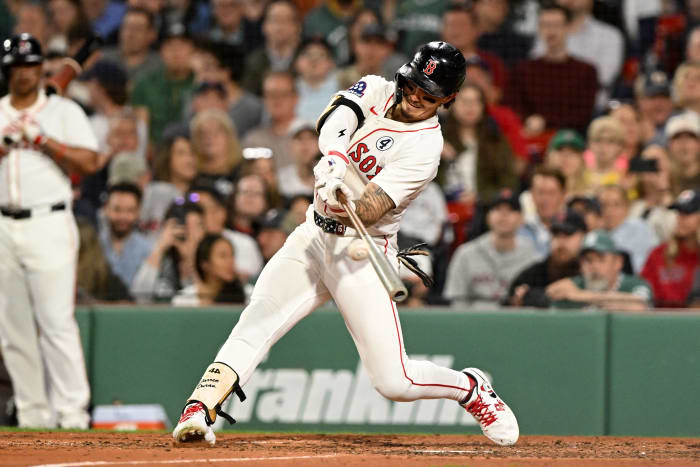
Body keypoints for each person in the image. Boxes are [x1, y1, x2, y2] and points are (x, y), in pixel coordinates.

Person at [172, 41, 519, 447]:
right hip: (311, 237)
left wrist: (347, 191)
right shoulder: (377, 87)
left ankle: (470, 388)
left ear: (448, 99)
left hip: (362, 252)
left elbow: (370, 210)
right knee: (257, 320)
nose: (414, 99)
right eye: (413, 86)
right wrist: (335, 158)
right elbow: (335, 118)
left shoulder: (426, 147)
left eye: (429, 96)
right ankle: (200, 407)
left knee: (394, 381)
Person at [0, 33, 98, 428]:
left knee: (57, 323)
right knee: (13, 328)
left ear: (41, 67)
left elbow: (90, 162)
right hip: (4, 224)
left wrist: (43, 141)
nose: (23, 73)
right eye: (16, 66)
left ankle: (72, 415)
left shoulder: (63, 111)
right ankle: (31, 415)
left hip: (49, 221)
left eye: (30, 65)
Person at [504, 2, 598, 134]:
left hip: (569, 140)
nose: (551, 31)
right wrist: (528, 121)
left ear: (568, 28)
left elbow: (582, 115)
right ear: (539, 29)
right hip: (529, 135)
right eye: (545, 25)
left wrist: (545, 122)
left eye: (556, 25)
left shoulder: (586, 71)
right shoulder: (522, 70)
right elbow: (512, 106)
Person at [444, 190, 540, 308]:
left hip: (516, 322)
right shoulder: (465, 254)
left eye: (511, 210)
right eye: (497, 209)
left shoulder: (532, 256)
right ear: (488, 217)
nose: (503, 215)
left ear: (522, 219)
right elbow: (457, 303)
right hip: (475, 322)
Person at [547, 230, 653, 311]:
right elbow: (553, 292)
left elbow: (639, 306)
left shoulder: (635, 284)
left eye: (601, 259)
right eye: (588, 260)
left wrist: (581, 296)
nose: (594, 266)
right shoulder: (577, 284)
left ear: (618, 262)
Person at [507, 210, 586, 308]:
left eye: (567, 235)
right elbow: (509, 301)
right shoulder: (533, 274)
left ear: (583, 237)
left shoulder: (592, 270)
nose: (560, 243)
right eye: (556, 235)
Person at [131, 200, 206, 303]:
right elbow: (139, 298)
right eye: (186, 227)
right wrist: (160, 248)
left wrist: (189, 260)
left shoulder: (207, 260)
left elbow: (205, 303)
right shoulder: (158, 257)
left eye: (198, 225)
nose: (193, 234)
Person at [641, 189, 700, 308]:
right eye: (678, 213)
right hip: (662, 321)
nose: (679, 219)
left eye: (687, 213)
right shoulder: (659, 253)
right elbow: (643, 293)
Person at [99, 182, 154, 288]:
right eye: (117, 209)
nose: (123, 217)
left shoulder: (148, 249)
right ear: (106, 209)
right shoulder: (94, 245)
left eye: (130, 210)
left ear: (138, 212)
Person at [598, 184, 658, 273]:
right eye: (604, 205)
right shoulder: (595, 233)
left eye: (616, 205)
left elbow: (641, 267)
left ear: (627, 207)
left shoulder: (639, 228)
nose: (609, 210)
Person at [172, 233, 246, 306]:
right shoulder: (184, 300)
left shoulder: (249, 295)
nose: (230, 261)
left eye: (232, 255)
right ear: (205, 264)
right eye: (223, 256)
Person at [665, 113, 700, 195]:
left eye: (690, 137)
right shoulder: (664, 179)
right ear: (669, 145)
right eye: (677, 137)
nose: (683, 143)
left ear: (698, 143)